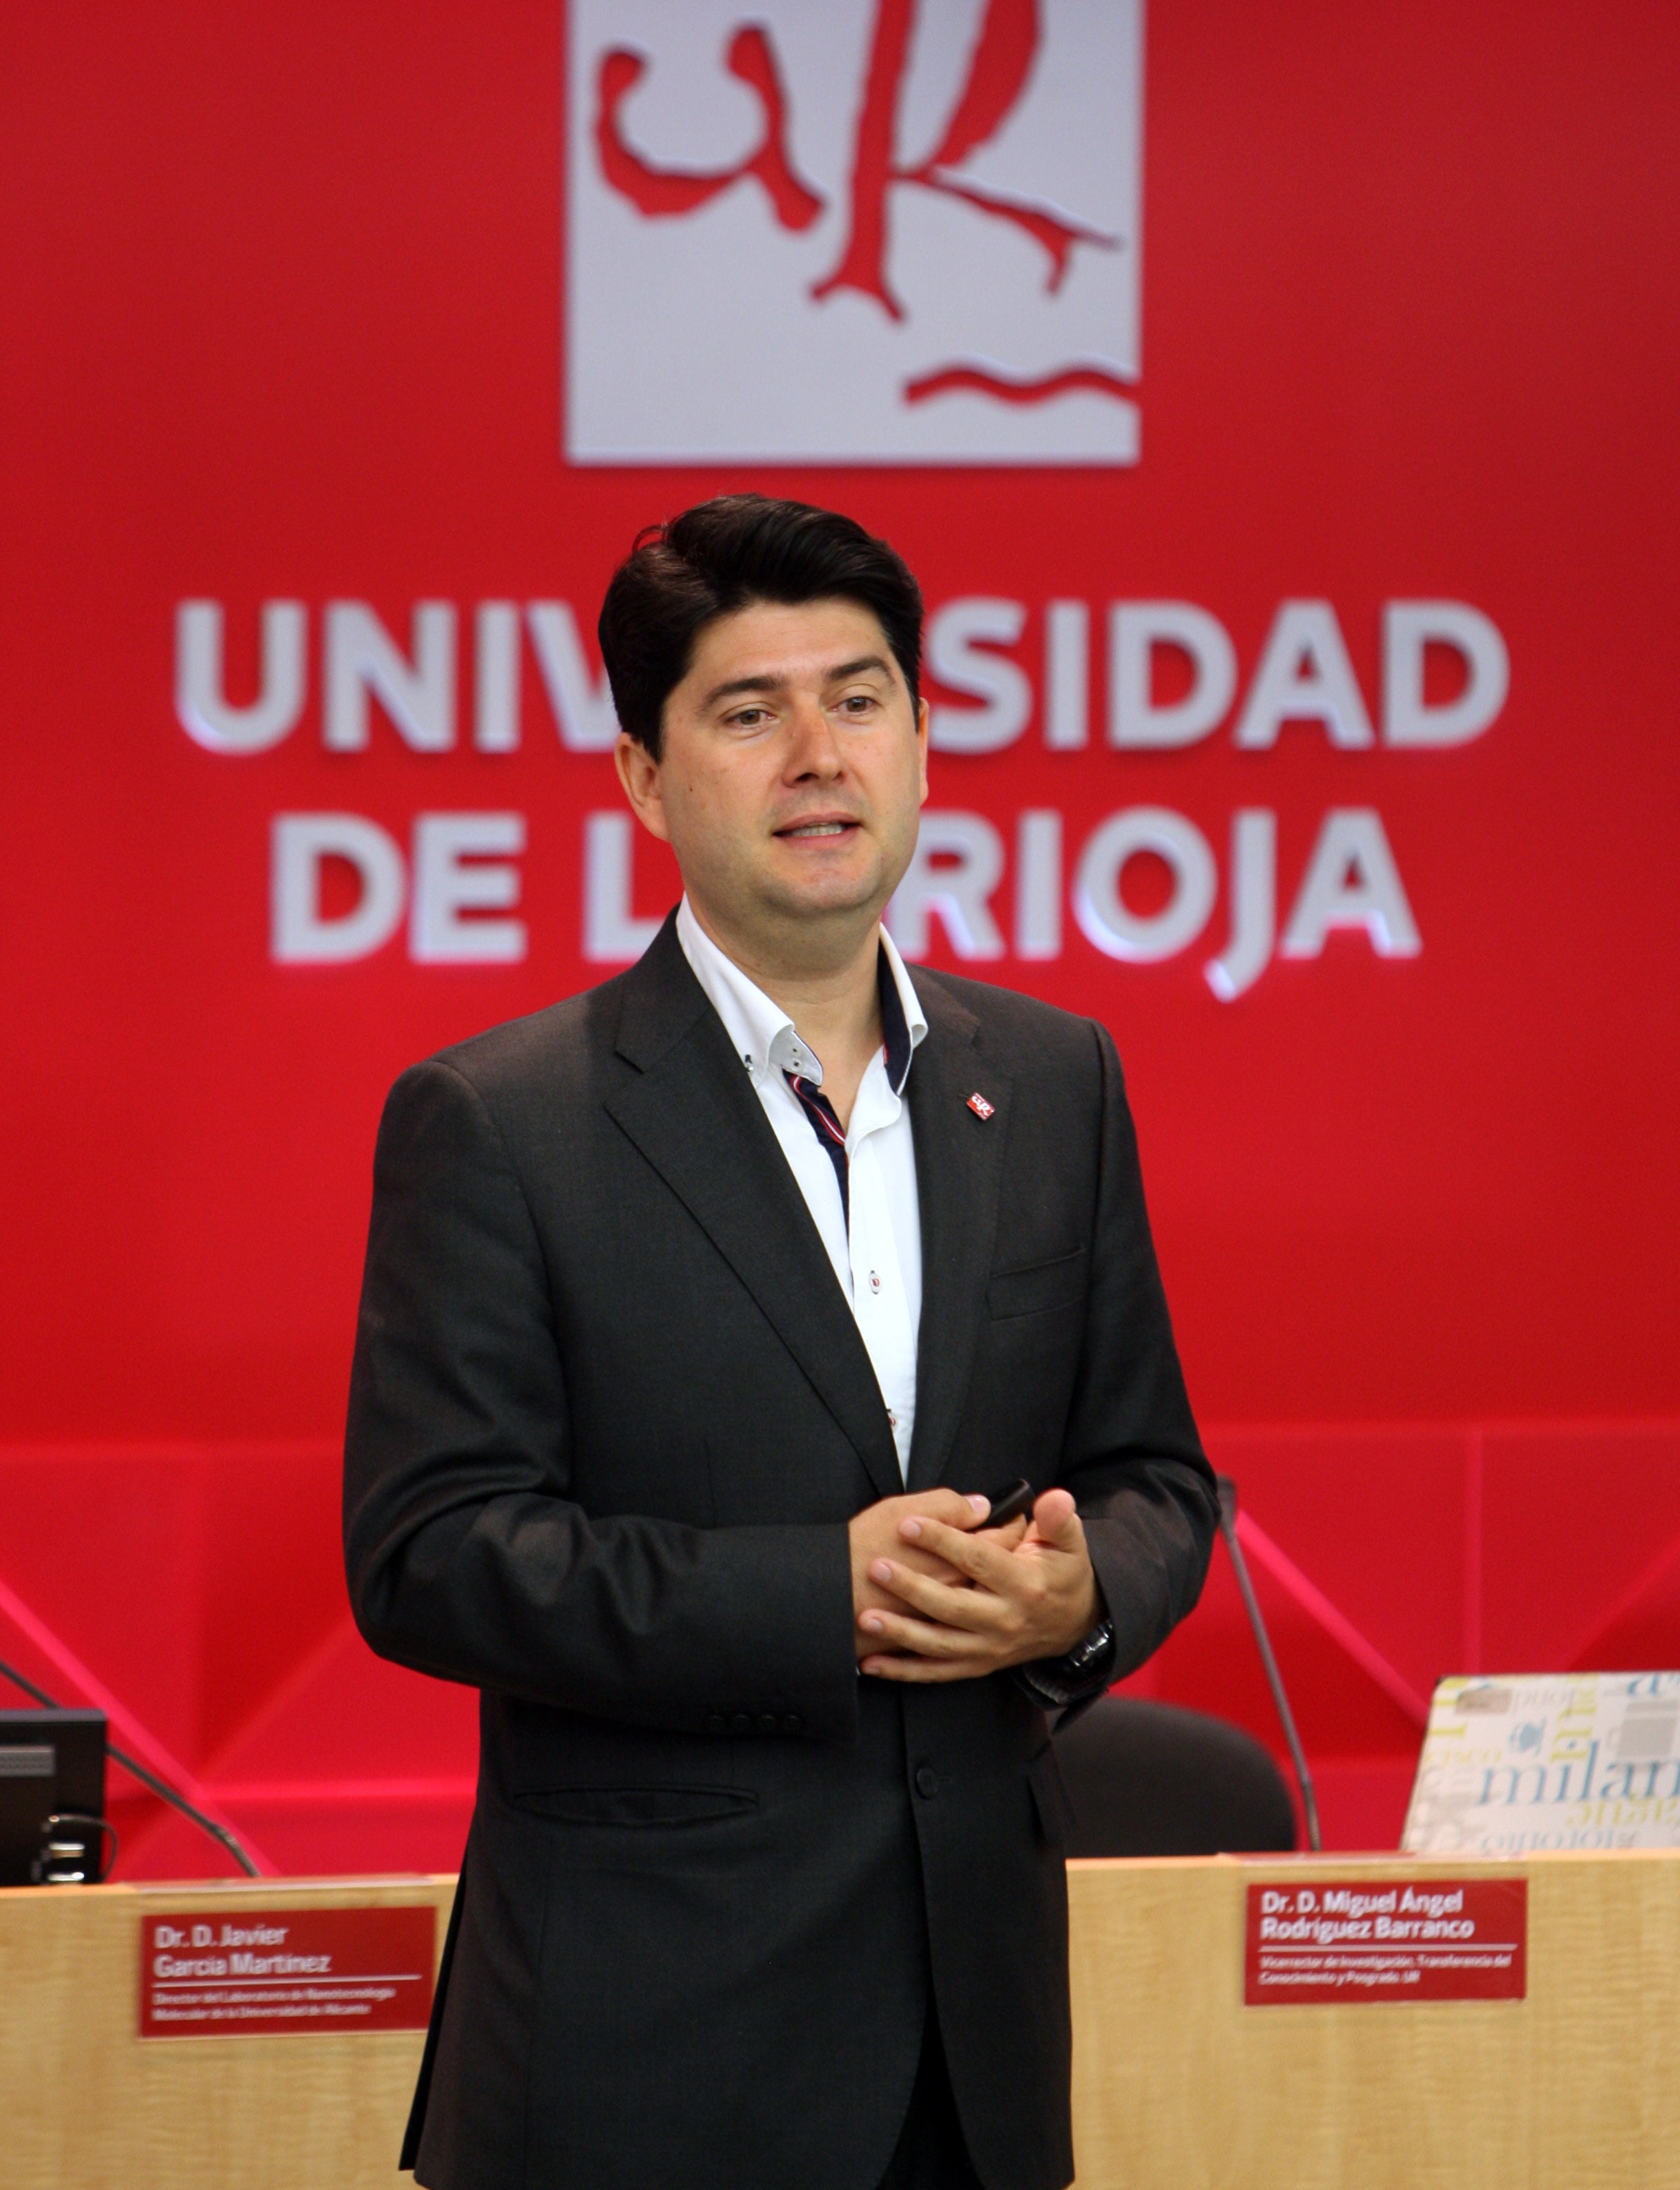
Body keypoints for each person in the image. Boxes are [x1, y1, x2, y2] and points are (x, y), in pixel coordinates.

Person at [344, 495, 1216, 2190]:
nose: (821, 752)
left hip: (977, 2059)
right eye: (751, 710)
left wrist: (1082, 1591)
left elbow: (1155, 1475)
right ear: (645, 781)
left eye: (864, 696)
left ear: (923, 742)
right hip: (644, 2065)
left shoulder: (1050, 1082)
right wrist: (830, 1596)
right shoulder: (502, 1121)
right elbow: (433, 1555)